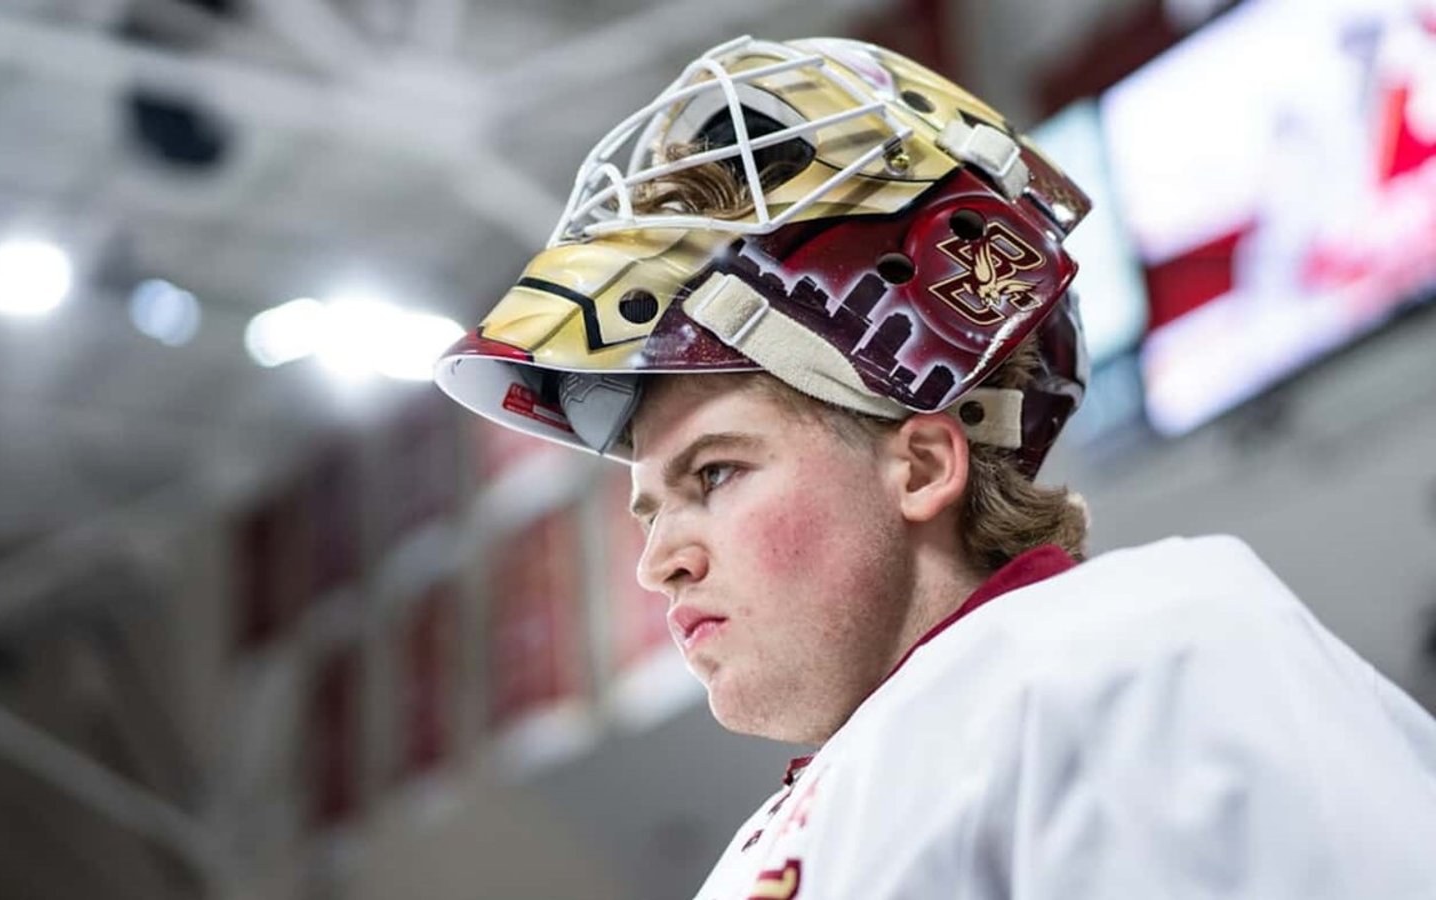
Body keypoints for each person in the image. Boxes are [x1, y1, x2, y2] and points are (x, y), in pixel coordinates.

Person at [435, 35, 1436, 899]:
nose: (660, 563)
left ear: (917, 465)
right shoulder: (766, 848)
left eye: (715, 475)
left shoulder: (1136, 649)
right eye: (649, 511)